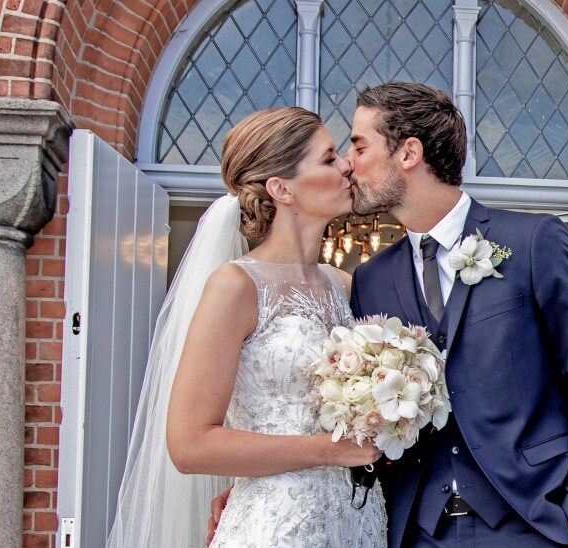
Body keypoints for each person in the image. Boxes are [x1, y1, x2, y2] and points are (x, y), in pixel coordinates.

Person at [210, 82, 568, 548]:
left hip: (531, 525)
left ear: (408, 153)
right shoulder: (369, 279)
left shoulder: (533, 243)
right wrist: (258, 486)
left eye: (359, 145)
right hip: (413, 530)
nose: (348, 161)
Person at [107, 107, 387, 547]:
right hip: (276, 527)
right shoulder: (236, 286)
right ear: (281, 188)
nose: (347, 165)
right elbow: (190, 444)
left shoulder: (344, 285)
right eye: (329, 158)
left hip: (356, 519)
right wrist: (327, 451)